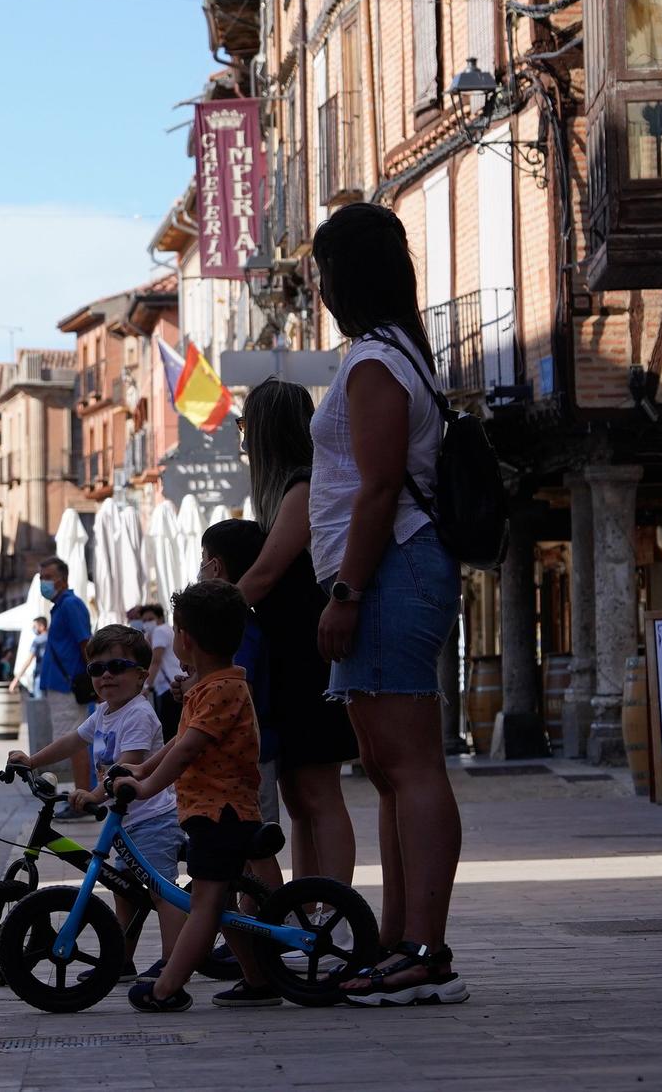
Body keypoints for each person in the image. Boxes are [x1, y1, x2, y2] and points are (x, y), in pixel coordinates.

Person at [310, 201, 467, 1006]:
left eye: (323, 270)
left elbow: (375, 491)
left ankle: (424, 947)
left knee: (410, 767)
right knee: (386, 771)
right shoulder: (399, 351)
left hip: (390, 570)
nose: (320, 287)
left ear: (345, 276)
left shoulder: (376, 363)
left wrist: (346, 591)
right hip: (395, 570)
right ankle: (398, 939)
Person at [114, 579, 276, 1012]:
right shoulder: (207, 686)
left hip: (221, 814)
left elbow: (188, 748)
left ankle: (167, 987)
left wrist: (147, 787)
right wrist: (143, 768)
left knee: (204, 904)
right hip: (210, 812)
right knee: (218, 901)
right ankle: (258, 979)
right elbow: (179, 739)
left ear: (185, 638)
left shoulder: (223, 689)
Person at [7, 624, 187, 976]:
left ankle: (172, 966)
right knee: (125, 893)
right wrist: (32, 760)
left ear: (141, 676)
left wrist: (93, 794)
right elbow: (72, 741)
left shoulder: (137, 714)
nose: (106, 675)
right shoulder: (104, 712)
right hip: (125, 823)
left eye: (117, 667)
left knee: (160, 893)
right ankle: (120, 960)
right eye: (97, 669)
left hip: (152, 819)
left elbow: (130, 766)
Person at [234, 378, 359, 884]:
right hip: (289, 657)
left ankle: (335, 910)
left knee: (318, 791)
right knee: (298, 796)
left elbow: (264, 575)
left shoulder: (301, 486)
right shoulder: (284, 491)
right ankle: (308, 911)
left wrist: (205, 614)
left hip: (312, 657)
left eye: (245, 425)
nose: (241, 438)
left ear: (266, 429)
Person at [200, 521, 280, 825]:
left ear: (215, 566)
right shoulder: (244, 624)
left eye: (203, 557)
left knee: (255, 838)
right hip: (247, 750)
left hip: (248, 752)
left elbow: (236, 684)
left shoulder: (236, 627)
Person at [21, 558, 93, 803]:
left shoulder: (70, 604)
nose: (43, 582)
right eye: (41, 577)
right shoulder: (60, 606)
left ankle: (81, 799)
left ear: (62, 579)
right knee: (72, 740)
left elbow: (85, 643)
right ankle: (80, 795)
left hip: (68, 686)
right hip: (60, 685)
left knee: (74, 742)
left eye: (47, 577)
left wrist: (94, 678)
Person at [134, 604, 181, 738]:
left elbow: (156, 661)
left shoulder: (160, 631)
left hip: (168, 688)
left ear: (160, 618)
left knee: (169, 731)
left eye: (150, 619)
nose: (147, 623)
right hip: (171, 684)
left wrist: (146, 686)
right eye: (144, 621)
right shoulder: (165, 630)